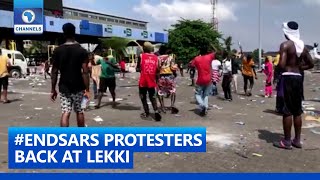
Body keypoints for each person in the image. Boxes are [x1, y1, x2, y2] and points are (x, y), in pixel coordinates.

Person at [273, 21, 314, 150]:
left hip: (288, 78)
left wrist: (286, 69)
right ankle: (297, 140)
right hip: (298, 78)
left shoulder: (285, 45)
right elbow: (311, 64)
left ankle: (286, 141)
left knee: (287, 110)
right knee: (297, 111)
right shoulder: (303, 47)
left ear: (287, 32)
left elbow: (281, 64)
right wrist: (299, 67)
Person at [51, 23, 90, 127]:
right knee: (80, 111)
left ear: (64, 34)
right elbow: (85, 71)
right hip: (79, 87)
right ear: (74, 33)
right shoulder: (82, 51)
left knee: (65, 112)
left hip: (64, 87)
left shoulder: (57, 51)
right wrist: (87, 90)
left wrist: (53, 89)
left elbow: (54, 71)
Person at [136, 42, 161, 121]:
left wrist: (142, 69)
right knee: (152, 97)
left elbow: (137, 68)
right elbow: (158, 70)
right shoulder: (156, 57)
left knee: (143, 97)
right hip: (152, 80)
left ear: (144, 48)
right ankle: (156, 111)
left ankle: (147, 112)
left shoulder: (141, 56)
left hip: (143, 81)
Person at [191, 46, 216, 116]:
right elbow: (217, 52)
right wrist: (212, 46)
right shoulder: (209, 57)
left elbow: (192, 65)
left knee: (198, 94)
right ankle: (206, 107)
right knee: (206, 95)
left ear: (200, 52)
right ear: (207, 51)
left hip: (200, 79)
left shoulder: (196, 59)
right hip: (208, 79)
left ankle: (202, 106)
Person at [157, 48, 179, 114]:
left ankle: (162, 107)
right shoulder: (170, 57)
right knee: (172, 90)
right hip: (169, 76)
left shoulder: (158, 58)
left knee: (160, 92)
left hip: (161, 77)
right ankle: (172, 105)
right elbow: (173, 67)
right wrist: (175, 69)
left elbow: (157, 67)